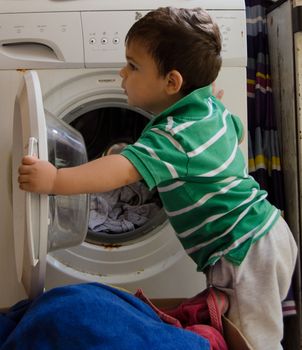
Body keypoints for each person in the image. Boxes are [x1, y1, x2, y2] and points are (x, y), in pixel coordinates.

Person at [18, 7, 297, 350]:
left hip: (243, 250)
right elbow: (235, 135)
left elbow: (119, 170)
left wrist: (55, 180)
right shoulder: (211, 111)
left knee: (255, 342)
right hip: (263, 235)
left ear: (172, 82)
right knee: (243, 330)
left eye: (133, 66)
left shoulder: (175, 137)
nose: (122, 72)